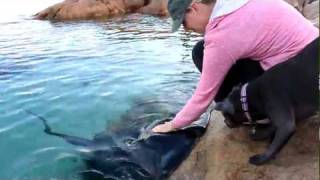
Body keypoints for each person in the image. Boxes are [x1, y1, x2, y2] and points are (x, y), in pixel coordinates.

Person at [152, 0, 319, 133]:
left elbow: (203, 96)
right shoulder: (236, 4)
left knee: (200, 52)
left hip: (297, 98)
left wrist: (173, 125)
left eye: (183, 23)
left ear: (194, 8)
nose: (186, 30)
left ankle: (255, 117)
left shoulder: (222, 35)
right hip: (311, 73)